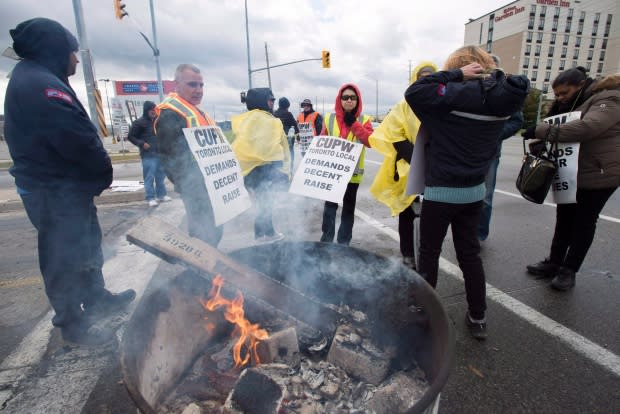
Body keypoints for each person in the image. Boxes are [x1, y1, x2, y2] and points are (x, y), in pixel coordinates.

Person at [4, 18, 136, 345]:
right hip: (54, 193)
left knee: (86, 247)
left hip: (66, 191)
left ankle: (95, 298)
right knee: (63, 256)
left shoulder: (37, 78)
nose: (76, 58)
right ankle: (73, 324)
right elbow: (76, 140)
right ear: (55, 51)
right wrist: (102, 171)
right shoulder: (41, 86)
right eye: (72, 52)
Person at [405, 45, 529, 340]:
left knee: (429, 255)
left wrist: (454, 74)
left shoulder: (447, 102)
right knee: (470, 256)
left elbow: (415, 91)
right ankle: (478, 316)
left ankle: (424, 315)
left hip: (440, 192)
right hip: (474, 192)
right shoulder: (500, 104)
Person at [523, 68, 619, 291]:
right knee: (564, 217)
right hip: (574, 170)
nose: (560, 99)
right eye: (557, 95)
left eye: (564, 93)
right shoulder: (580, 103)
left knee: (584, 222)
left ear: (581, 85)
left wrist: (540, 130)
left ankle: (569, 270)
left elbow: (587, 128)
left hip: (599, 172)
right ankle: (554, 262)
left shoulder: (610, 99)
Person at [369, 61, 437, 270]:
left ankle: (426, 255)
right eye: (421, 77)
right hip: (408, 168)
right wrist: (418, 160)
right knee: (407, 213)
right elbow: (395, 136)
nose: (426, 81)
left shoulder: (441, 103)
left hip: (436, 168)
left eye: (430, 77)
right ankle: (407, 254)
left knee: (432, 215)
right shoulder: (403, 106)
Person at [155, 63, 223, 246]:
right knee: (203, 235)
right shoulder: (171, 113)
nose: (199, 90)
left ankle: (211, 269)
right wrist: (189, 187)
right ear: (176, 84)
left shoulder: (197, 111)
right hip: (196, 188)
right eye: (192, 84)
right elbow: (170, 157)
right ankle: (202, 272)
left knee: (214, 231)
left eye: (201, 85)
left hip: (209, 185)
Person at [231, 88, 290, 244]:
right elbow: (279, 149)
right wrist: (284, 171)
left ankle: (263, 234)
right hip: (265, 170)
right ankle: (265, 235)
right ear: (262, 101)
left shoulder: (244, 120)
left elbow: (240, 147)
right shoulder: (270, 121)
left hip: (249, 171)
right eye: (270, 99)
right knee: (265, 204)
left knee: (261, 204)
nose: (273, 102)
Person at [478, 54, 524, 242]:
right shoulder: (471, 88)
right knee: (461, 197)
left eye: (491, 70)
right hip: (464, 152)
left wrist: (493, 134)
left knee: (485, 198)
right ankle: (463, 235)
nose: (488, 74)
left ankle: (479, 236)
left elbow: (517, 121)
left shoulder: (507, 93)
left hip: (490, 153)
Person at [320, 84, 373, 245]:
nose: (349, 100)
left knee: (348, 211)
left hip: (352, 175)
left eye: (352, 97)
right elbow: (322, 141)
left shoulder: (364, 120)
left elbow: (370, 141)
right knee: (329, 208)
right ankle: (326, 240)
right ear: (340, 100)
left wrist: (354, 124)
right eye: (345, 97)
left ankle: (344, 243)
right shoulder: (329, 118)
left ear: (357, 100)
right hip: (333, 174)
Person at [127, 101, 171, 207]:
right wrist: (141, 144)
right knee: (149, 177)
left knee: (160, 176)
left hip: (159, 154)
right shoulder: (139, 123)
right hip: (148, 155)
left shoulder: (158, 121)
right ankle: (150, 198)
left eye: (155, 110)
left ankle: (161, 195)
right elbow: (131, 137)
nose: (154, 112)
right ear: (146, 111)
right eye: (152, 110)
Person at [273, 97, 298, 173]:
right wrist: (298, 136)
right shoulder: (288, 114)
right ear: (287, 105)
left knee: (279, 156)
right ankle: (289, 171)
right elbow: (295, 125)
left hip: (277, 140)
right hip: (287, 141)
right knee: (290, 155)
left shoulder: (274, 114)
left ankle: (278, 172)